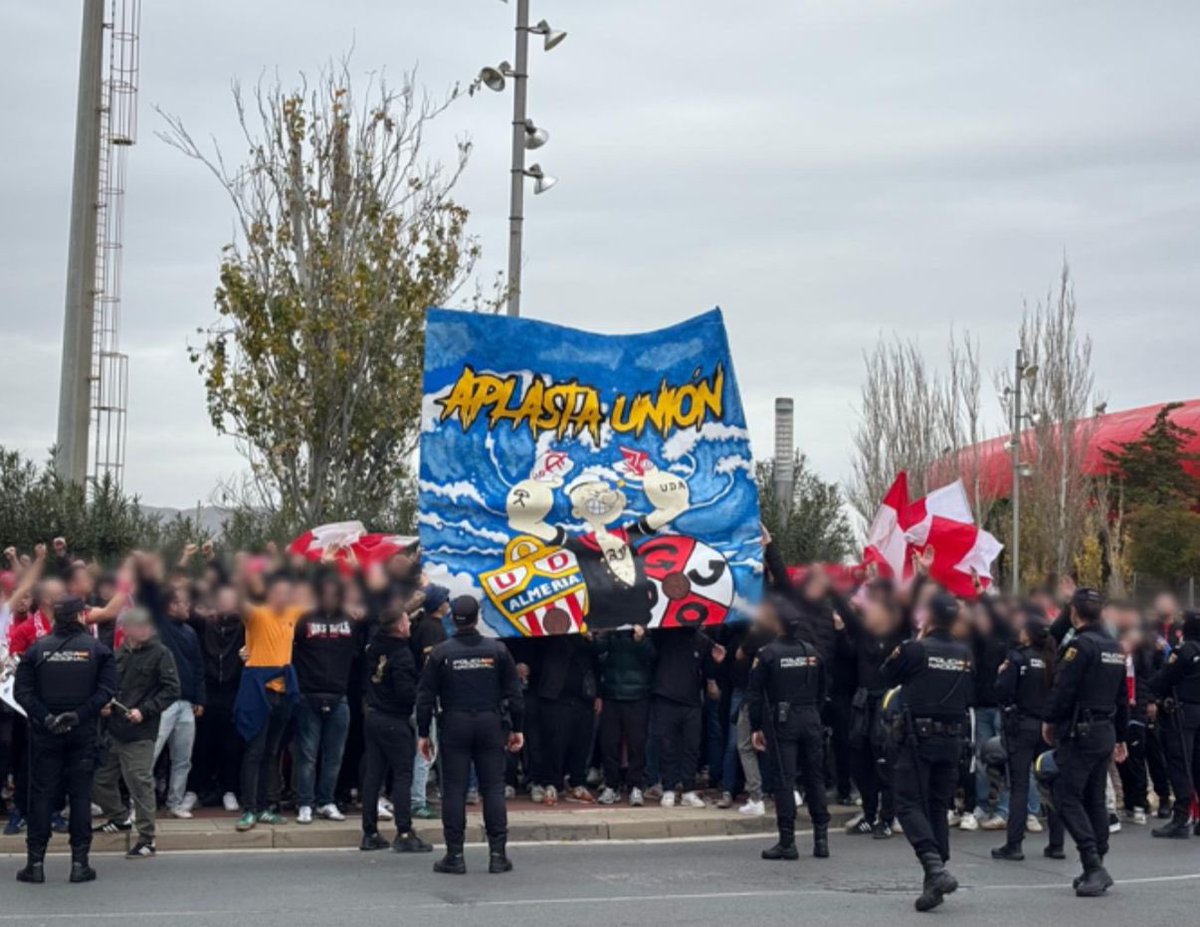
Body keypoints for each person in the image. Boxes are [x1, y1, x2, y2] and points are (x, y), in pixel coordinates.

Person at [416, 595, 524, 875]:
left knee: (454, 789)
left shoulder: (441, 653)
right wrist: (518, 727)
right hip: (489, 722)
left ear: (453, 618)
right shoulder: (497, 650)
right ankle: (498, 854)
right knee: (493, 788)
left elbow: (425, 696)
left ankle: (455, 855)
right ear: (478, 617)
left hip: (455, 723)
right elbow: (514, 693)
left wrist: (423, 733)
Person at [881, 591, 974, 913]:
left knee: (907, 803)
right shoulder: (965, 653)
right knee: (936, 806)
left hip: (918, 738)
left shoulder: (915, 649)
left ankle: (935, 868)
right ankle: (934, 879)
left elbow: (887, 674)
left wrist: (916, 640)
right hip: (953, 739)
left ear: (930, 618)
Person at [13, 597, 116, 884]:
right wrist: (79, 715)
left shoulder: (37, 649)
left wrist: (46, 717)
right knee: (80, 796)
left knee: (42, 796)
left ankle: (35, 864)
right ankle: (79, 864)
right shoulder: (98, 650)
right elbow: (107, 690)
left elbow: (23, 692)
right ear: (80, 617)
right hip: (82, 732)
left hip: (46, 733)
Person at [1043, 587, 1129, 897]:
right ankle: (1096, 863)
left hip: (1081, 731)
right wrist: (1121, 736)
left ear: (1073, 613)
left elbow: (1063, 690)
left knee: (1064, 795)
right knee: (1093, 797)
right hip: (1104, 729)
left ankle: (1093, 864)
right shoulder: (1114, 647)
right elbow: (1122, 696)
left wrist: (1049, 721)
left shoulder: (1081, 646)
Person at [746, 594, 831, 861]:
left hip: (783, 721)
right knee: (815, 778)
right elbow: (823, 691)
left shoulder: (767, 654)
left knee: (784, 779)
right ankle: (821, 840)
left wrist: (757, 727)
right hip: (811, 718)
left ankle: (787, 841)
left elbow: (755, 695)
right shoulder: (812, 653)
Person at [92, 608, 181, 858]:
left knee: (139, 784)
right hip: (114, 729)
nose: (145, 629)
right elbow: (110, 685)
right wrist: (106, 705)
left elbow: (172, 689)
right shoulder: (120, 654)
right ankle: (119, 817)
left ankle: (147, 838)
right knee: (99, 778)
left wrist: (145, 710)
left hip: (140, 731)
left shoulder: (161, 654)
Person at [360, 605, 433, 853]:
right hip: (393, 718)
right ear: (400, 627)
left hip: (373, 714)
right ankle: (404, 831)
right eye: (407, 621)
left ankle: (369, 832)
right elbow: (405, 693)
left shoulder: (374, 646)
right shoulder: (401, 654)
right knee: (403, 775)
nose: (410, 625)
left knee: (373, 775)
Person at [234, 573, 303, 831]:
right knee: (254, 751)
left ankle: (264, 807)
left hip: (283, 691)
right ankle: (249, 809)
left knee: (271, 752)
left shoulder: (292, 614)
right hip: (258, 691)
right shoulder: (258, 614)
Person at [292, 573, 363, 825]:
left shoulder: (351, 621)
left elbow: (359, 652)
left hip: (339, 696)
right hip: (308, 695)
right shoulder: (303, 619)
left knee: (334, 756)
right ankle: (304, 803)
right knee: (307, 755)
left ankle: (326, 801)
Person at [991, 608, 1055, 860]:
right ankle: (1057, 843)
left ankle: (1014, 844)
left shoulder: (1018, 658)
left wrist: (1000, 675)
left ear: (1028, 634)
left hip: (1022, 726)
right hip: (1047, 728)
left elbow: (1003, 690)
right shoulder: (1052, 658)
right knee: (1051, 782)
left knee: (1019, 785)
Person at [1148, 608, 1200, 838]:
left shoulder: (1184, 649)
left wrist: (1159, 661)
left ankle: (1181, 818)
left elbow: (1163, 679)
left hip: (1183, 711)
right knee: (1198, 763)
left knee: (1180, 763)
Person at [595, 623, 655, 806]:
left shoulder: (646, 627)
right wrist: (601, 633)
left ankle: (636, 785)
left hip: (638, 694)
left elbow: (653, 656)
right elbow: (596, 649)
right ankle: (611, 785)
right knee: (609, 742)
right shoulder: (611, 628)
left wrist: (640, 640)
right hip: (612, 693)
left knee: (637, 743)